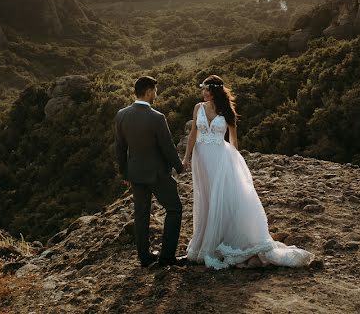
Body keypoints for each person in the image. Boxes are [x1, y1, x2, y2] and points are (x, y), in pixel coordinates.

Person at [182, 75, 314, 269]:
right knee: (207, 198)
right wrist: (187, 157)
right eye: (203, 90)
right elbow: (193, 133)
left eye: (207, 90)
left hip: (220, 158)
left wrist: (234, 163)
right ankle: (204, 241)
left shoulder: (227, 111)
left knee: (223, 198)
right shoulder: (198, 108)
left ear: (215, 91)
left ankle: (221, 241)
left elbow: (233, 141)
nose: (204, 93)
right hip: (201, 158)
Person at [114, 75, 187, 267]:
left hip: (135, 173)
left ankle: (144, 258)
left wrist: (124, 173)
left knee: (141, 214)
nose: (156, 94)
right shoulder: (157, 118)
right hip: (157, 174)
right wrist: (180, 167)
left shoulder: (121, 114)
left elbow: (120, 148)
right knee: (174, 209)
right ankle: (167, 257)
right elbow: (168, 147)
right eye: (155, 90)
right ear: (148, 92)